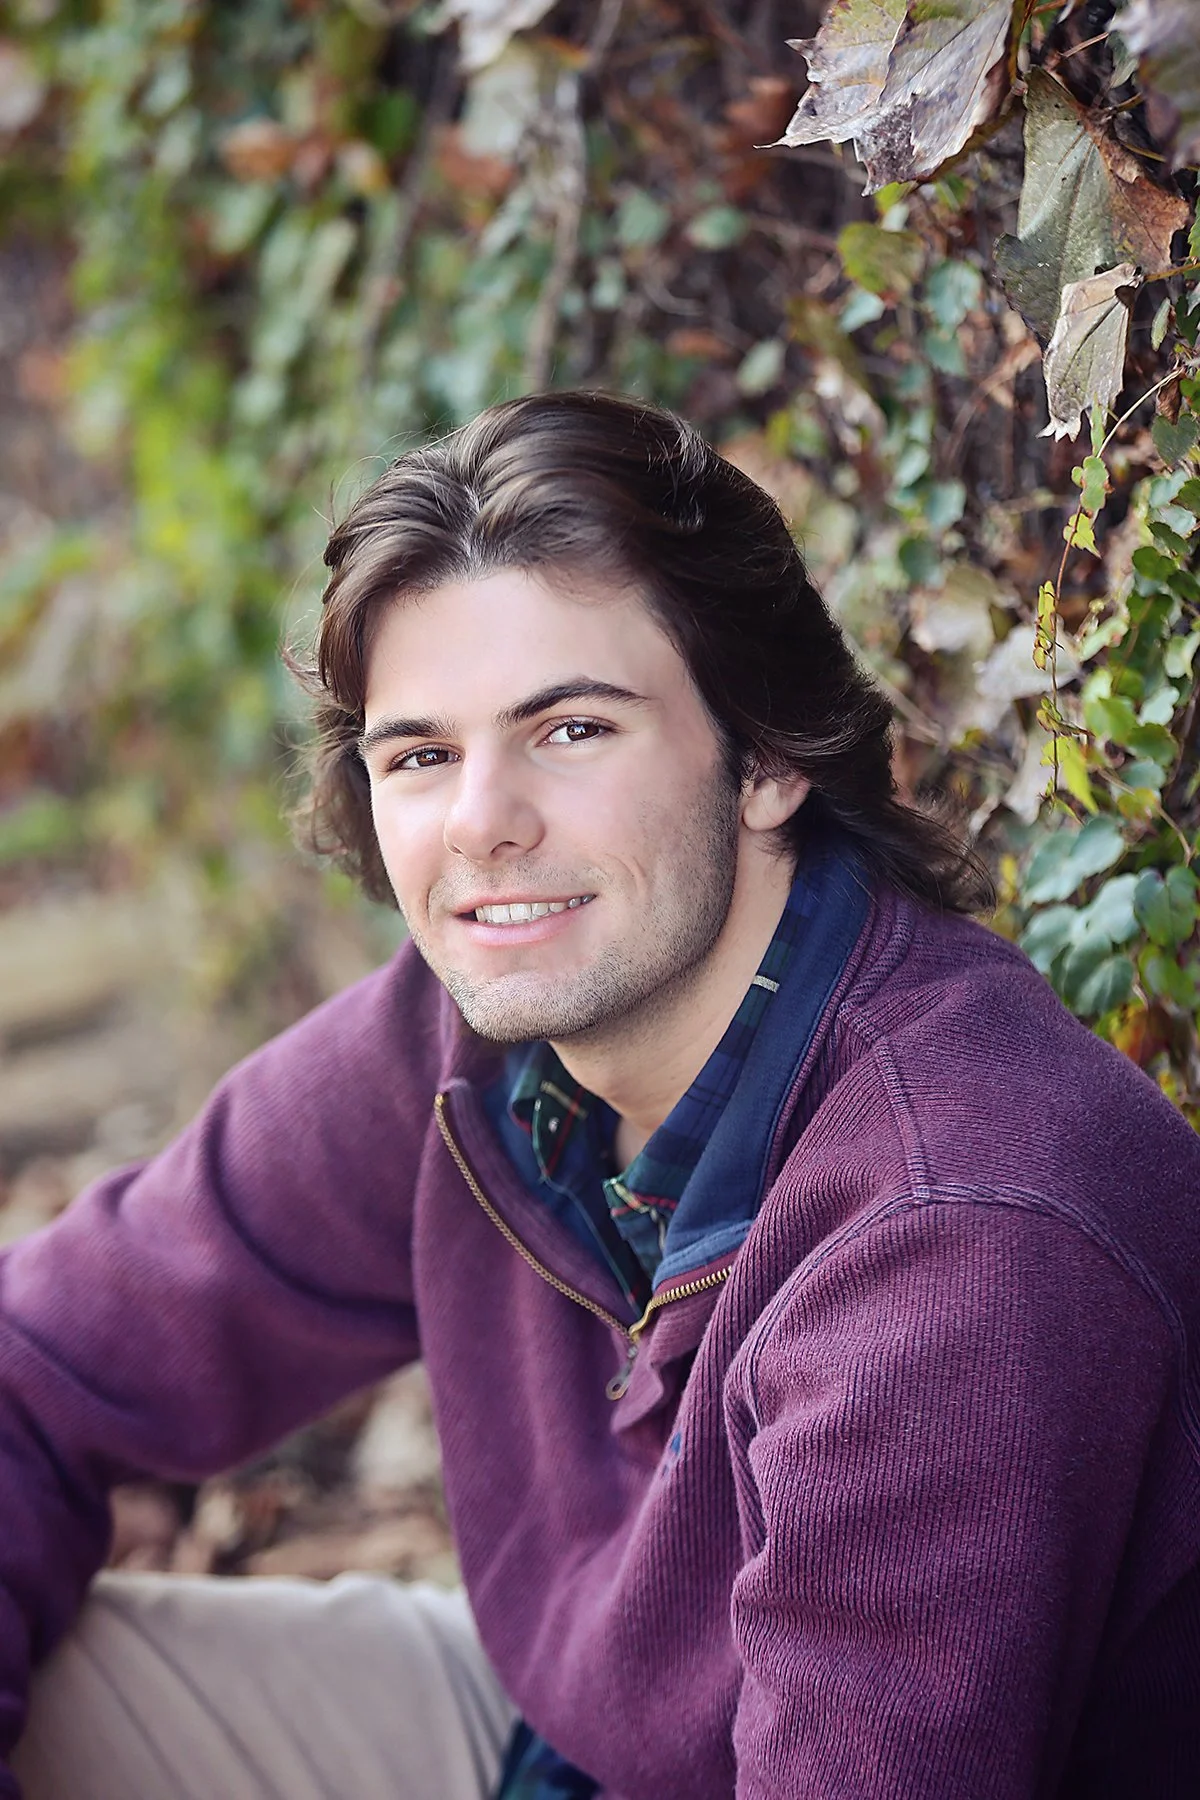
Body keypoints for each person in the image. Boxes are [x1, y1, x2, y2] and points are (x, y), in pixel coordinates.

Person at [2, 391, 1199, 1800]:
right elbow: (42, 1363)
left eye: (570, 729)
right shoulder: (463, 1050)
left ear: (766, 757)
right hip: (568, 1745)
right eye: (422, 755)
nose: (481, 822)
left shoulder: (958, 1238)